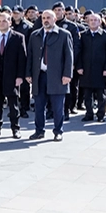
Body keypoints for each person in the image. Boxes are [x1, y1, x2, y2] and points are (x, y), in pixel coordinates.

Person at [26, 10, 73, 141]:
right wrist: (28, 73)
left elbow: (69, 56)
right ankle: (39, 131)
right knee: (39, 106)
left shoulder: (64, 34)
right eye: (44, 18)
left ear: (55, 19)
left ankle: (58, 131)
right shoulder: (35, 35)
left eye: (49, 18)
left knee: (58, 107)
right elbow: (30, 56)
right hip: (39, 76)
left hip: (57, 77)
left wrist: (67, 74)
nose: (46, 20)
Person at [77, 13, 106, 122]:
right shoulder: (83, 35)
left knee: (101, 94)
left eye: (95, 20)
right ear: (87, 22)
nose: (93, 22)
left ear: (100, 22)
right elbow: (79, 52)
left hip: (101, 70)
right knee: (87, 94)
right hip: (86, 69)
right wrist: (79, 66)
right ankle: (89, 114)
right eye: (91, 20)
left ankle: (100, 115)